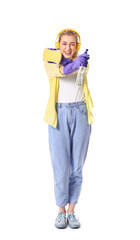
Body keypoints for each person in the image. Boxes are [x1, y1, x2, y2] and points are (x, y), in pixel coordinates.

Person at [43, 28, 95, 229]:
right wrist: (76, 62)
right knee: (60, 166)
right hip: (59, 115)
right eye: (64, 43)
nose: (68, 47)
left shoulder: (84, 62)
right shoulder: (50, 61)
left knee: (77, 166)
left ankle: (72, 210)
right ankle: (60, 211)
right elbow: (62, 70)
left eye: (72, 44)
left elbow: (77, 69)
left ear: (77, 46)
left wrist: (80, 62)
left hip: (81, 112)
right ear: (59, 44)